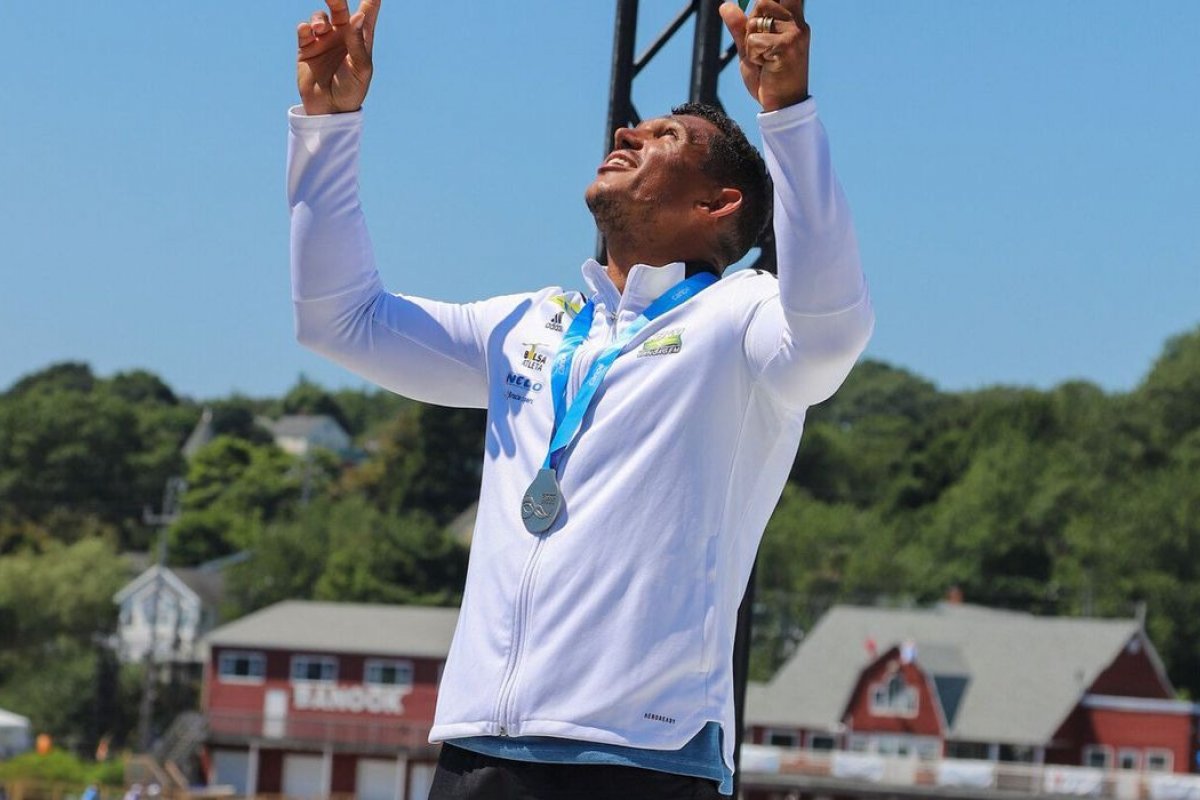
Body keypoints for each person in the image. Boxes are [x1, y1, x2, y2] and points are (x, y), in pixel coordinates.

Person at [288, 0, 873, 796]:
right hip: (478, 750)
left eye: (665, 139)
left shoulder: (742, 320)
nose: (629, 134)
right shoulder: (532, 322)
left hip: (638, 759)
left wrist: (787, 115)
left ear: (717, 205)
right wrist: (328, 129)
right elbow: (339, 321)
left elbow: (832, 333)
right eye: (636, 131)